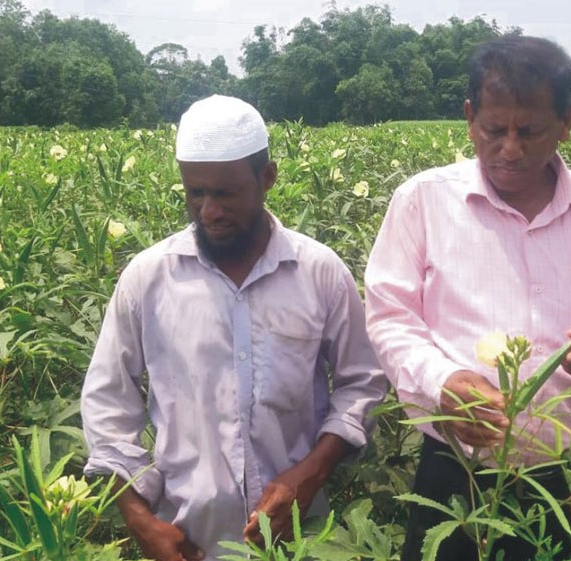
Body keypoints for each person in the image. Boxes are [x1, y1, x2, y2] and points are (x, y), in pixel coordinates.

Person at [364, 35, 571, 560]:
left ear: (567, 121)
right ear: (469, 117)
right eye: (493, 129)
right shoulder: (423, 200)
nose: (510, 149)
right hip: (456, 472)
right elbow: (391, 318)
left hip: (569, 479)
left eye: (529, 131)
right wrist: (442, 382)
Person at [81, 94, 386, 561]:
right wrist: (139, 519)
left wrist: (311, 474)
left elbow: (361, 382)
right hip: (188, 542)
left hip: (300, 539)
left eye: (225, 194)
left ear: (268, 178)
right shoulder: (148, 278)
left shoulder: (319, 272)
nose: (208, 211)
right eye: (195, 193)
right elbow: (108, 402)